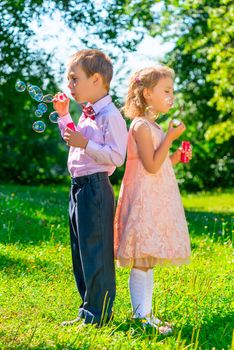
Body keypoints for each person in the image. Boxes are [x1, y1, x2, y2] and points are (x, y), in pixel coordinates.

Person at [114, 66, 192, 334]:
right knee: (141, 259)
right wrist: (170, 137)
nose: (171, 96)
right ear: (147, 93)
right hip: (142, 199)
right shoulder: (140, 126)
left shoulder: (154, 126)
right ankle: (140, 317)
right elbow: (149, 165)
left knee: (148, 259)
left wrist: (176, 157)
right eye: (166, 91)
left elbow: (159, 164)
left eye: (172, 91)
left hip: (154, 197)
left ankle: (146, 315)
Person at [53, 49, 128, 326]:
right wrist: (64, 116)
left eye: (74, 79)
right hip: (78, 188)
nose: (69, 85)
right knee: (81, 251)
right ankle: (87, 310)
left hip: (96, 187)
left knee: (96, 252)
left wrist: (86, 144)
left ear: (96, 79)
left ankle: (99, 315)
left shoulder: (110, 116)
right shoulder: (86, 114)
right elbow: (74, 140)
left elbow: (117, 156)